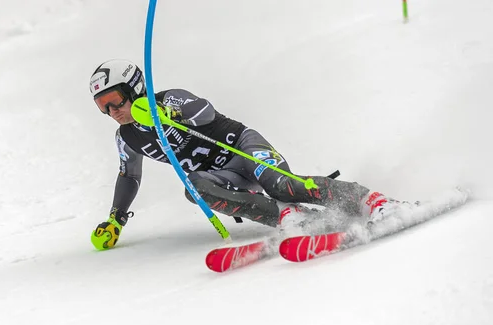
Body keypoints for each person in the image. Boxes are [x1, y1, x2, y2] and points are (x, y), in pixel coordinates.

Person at [90, 59, 399, 250]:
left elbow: (205, 112)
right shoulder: (127, 138)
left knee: (281, 186)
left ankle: (369, 200)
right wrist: (116, 220)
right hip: (226, 176)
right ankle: (292, 218)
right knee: (193, 188)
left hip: (243, 148)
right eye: (102, 106)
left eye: (115, 101)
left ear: (135, 88)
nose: (112, 112)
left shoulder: (167, 99)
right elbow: (129, 176)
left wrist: (167, 113)